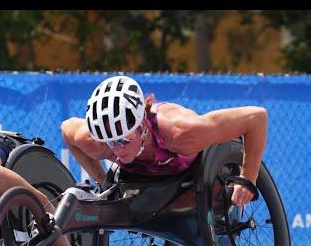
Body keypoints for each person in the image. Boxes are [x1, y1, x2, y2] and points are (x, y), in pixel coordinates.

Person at [60, 75, 267, 207]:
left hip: (189, 167)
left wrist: (248, 178)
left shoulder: (181, 132)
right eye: (110, 141)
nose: (117, 149)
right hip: (147, 176)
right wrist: (101, 179)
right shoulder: (97, 143)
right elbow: (66, 129)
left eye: (123, 140)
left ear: (141, 126)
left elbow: (256, 118)